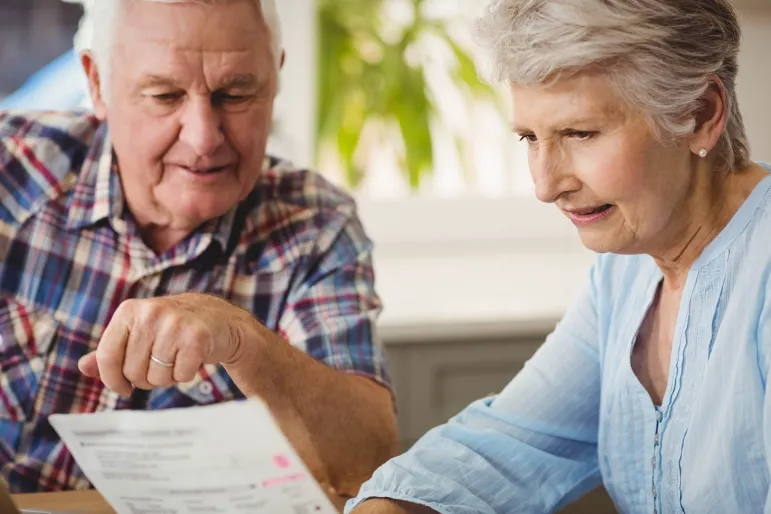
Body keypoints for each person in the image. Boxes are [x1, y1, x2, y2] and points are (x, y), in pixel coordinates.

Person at [346, 0, 771, 513]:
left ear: (700, 115)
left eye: (579, 133)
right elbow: (510, 442)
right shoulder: (626, 268)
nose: (546, 186)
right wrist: (387, 506)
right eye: (529, 137)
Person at [0, 0, 398, 497]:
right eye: (165, 95)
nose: (204, 138)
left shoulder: (316, 226)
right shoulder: (12, 168)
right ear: (98, 83)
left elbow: (368, 460)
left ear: (274, 79)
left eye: (235, 93)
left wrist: (242, 341)